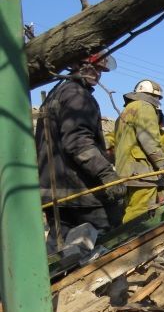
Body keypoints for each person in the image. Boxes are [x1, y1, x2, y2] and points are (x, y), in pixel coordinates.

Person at [35, 52, 125, 249]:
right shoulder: (78, 96)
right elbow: (78, 143)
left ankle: (50, 279)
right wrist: (108, 176)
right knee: (103, 242)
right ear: (77, 64)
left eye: (101, 70)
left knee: (60, 249)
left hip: (56, 190)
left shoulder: (57, 93)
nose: (98, 74)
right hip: (80, 192)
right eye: (94, 68)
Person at [114, 79, 164, 223]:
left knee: (129, 209)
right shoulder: (146, 107)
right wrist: (162, 165)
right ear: (154, 96)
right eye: (157, 98)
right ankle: (131, 244)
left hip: (126, 171)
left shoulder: (126, 110)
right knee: (139, 214)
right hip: (142, 172)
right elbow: (150, 139)